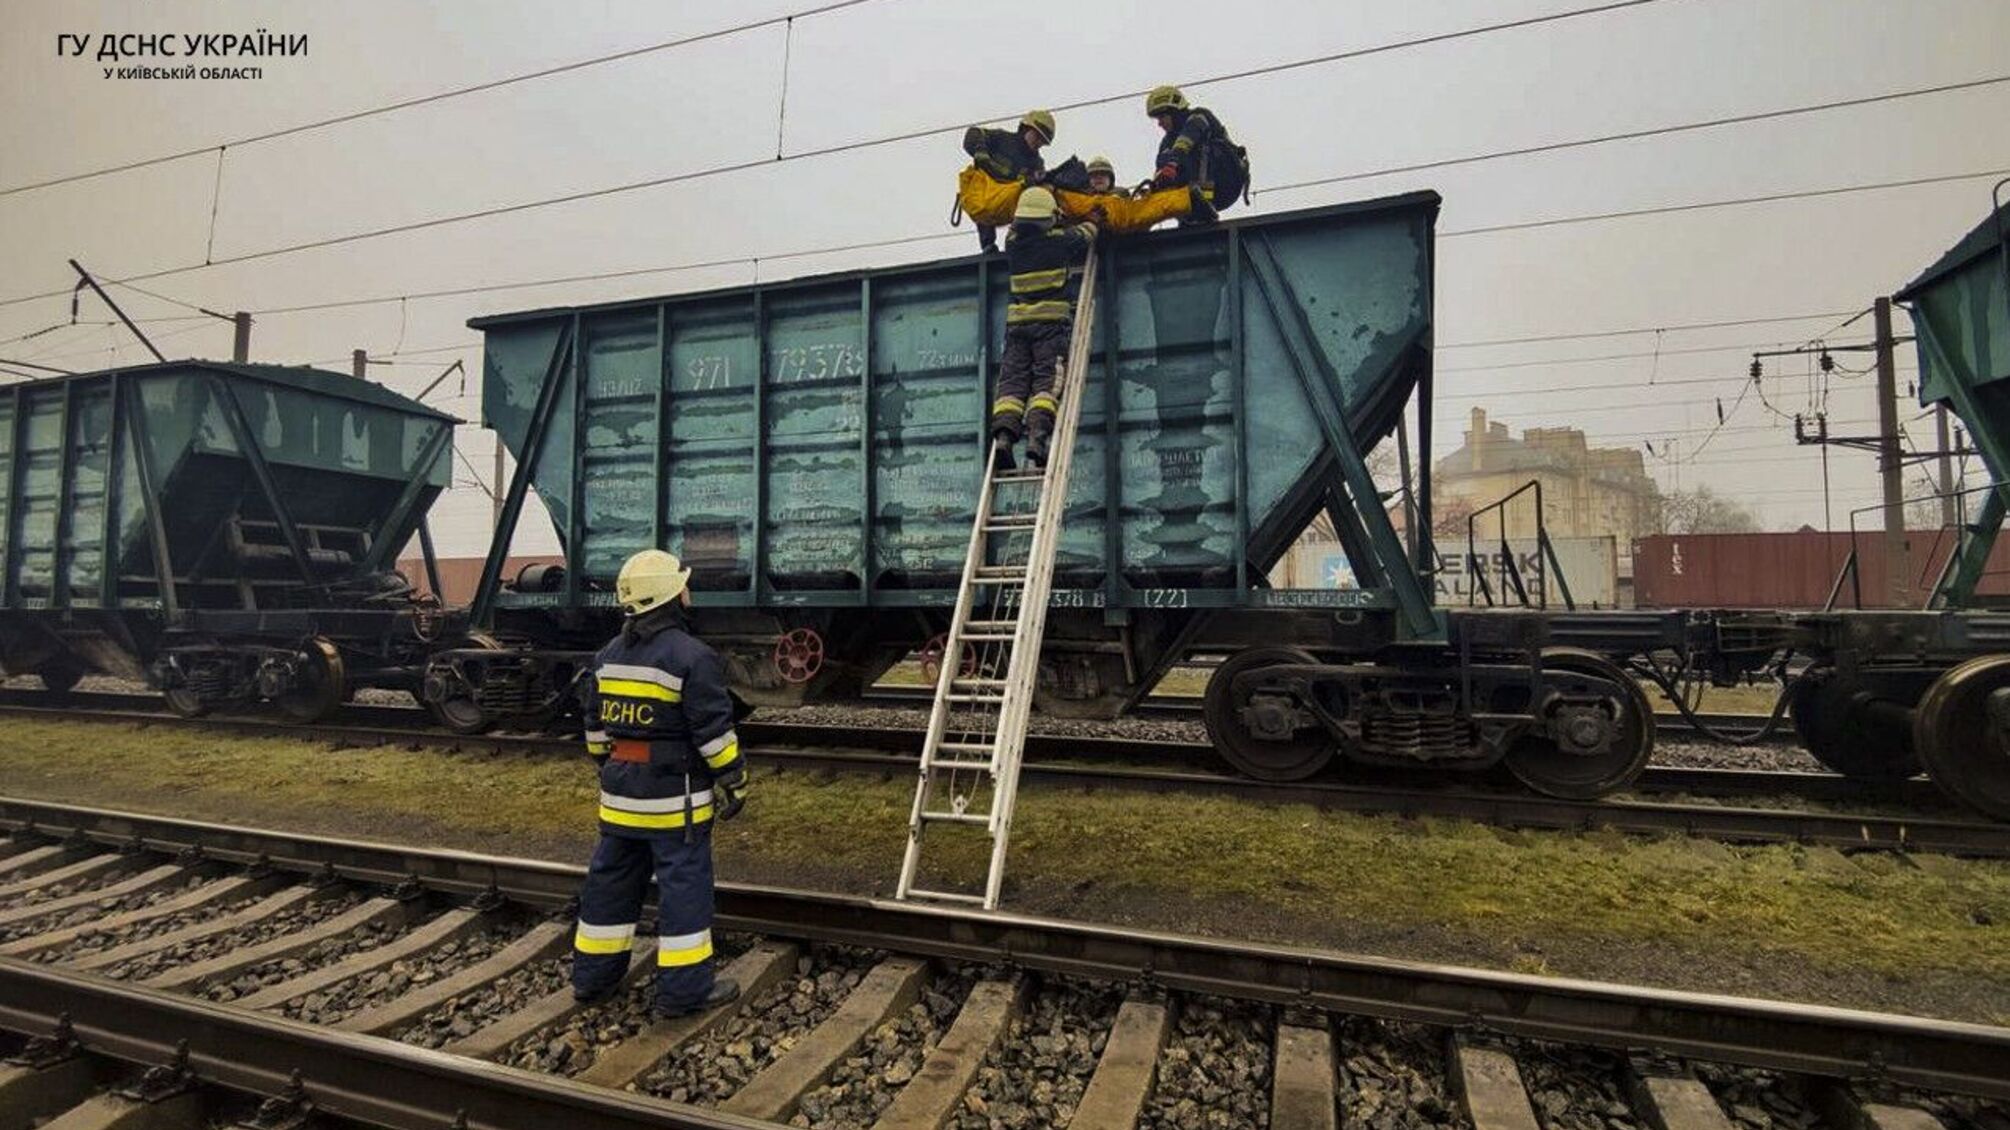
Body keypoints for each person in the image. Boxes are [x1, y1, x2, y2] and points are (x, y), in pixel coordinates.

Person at [571, 548, 748, 1019]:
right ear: (671, 596)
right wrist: (735, 778)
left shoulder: (607, 656)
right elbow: (712, 733)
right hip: (675, 805)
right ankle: (684, 994)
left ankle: (592, 981)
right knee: (684, 890)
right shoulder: (694, 657)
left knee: (609, 884)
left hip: (619, 798)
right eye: (682, 583)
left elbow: (594, 731)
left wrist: (614, 769)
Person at [990, 186, 1096, 472]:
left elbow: (1017, 230)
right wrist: (1089, 218)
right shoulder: (1059, 242)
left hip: (1017, 326)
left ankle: (1003, 439)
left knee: (1011, 386)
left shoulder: (1013, 244)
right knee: (1046, 385)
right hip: (1050, 327)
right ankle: (1037, 438)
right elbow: (1086, 233)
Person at [1143, 85, 1248, 222]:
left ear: (1174, 111)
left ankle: (1201, 200)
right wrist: (1155, 189)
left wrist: (1173, 164)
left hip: (1225, 179)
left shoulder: (1200, 116)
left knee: (1188, 152)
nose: (1160, 123)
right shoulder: (1166, 144)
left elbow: (1188, 138)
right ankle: (1189, 210)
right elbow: (1162, 168)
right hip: (1194, 195)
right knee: (1166, 162)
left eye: (1162, 116)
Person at [959, 110, 1057, 252]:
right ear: (1026, 128)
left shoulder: (1036, 164)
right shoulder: (1001, 139)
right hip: (985, 195)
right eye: (1038, 137)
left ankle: (1019, 242)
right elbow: (973, 134)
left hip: (1009, 202)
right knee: (985, 206)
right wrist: (980, 150)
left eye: (1043, 141)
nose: (1039, 143)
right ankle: (988, 244)